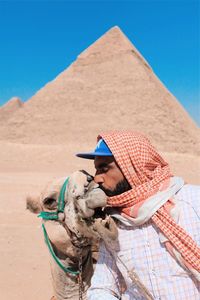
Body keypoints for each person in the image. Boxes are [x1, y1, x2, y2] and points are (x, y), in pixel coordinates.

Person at [76, 131, 200, 300]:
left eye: (104, 168)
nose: (97, 178)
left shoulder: (192, 202)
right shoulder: (114, 224)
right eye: (96, 169)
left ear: (132, 166)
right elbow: (102, 287)